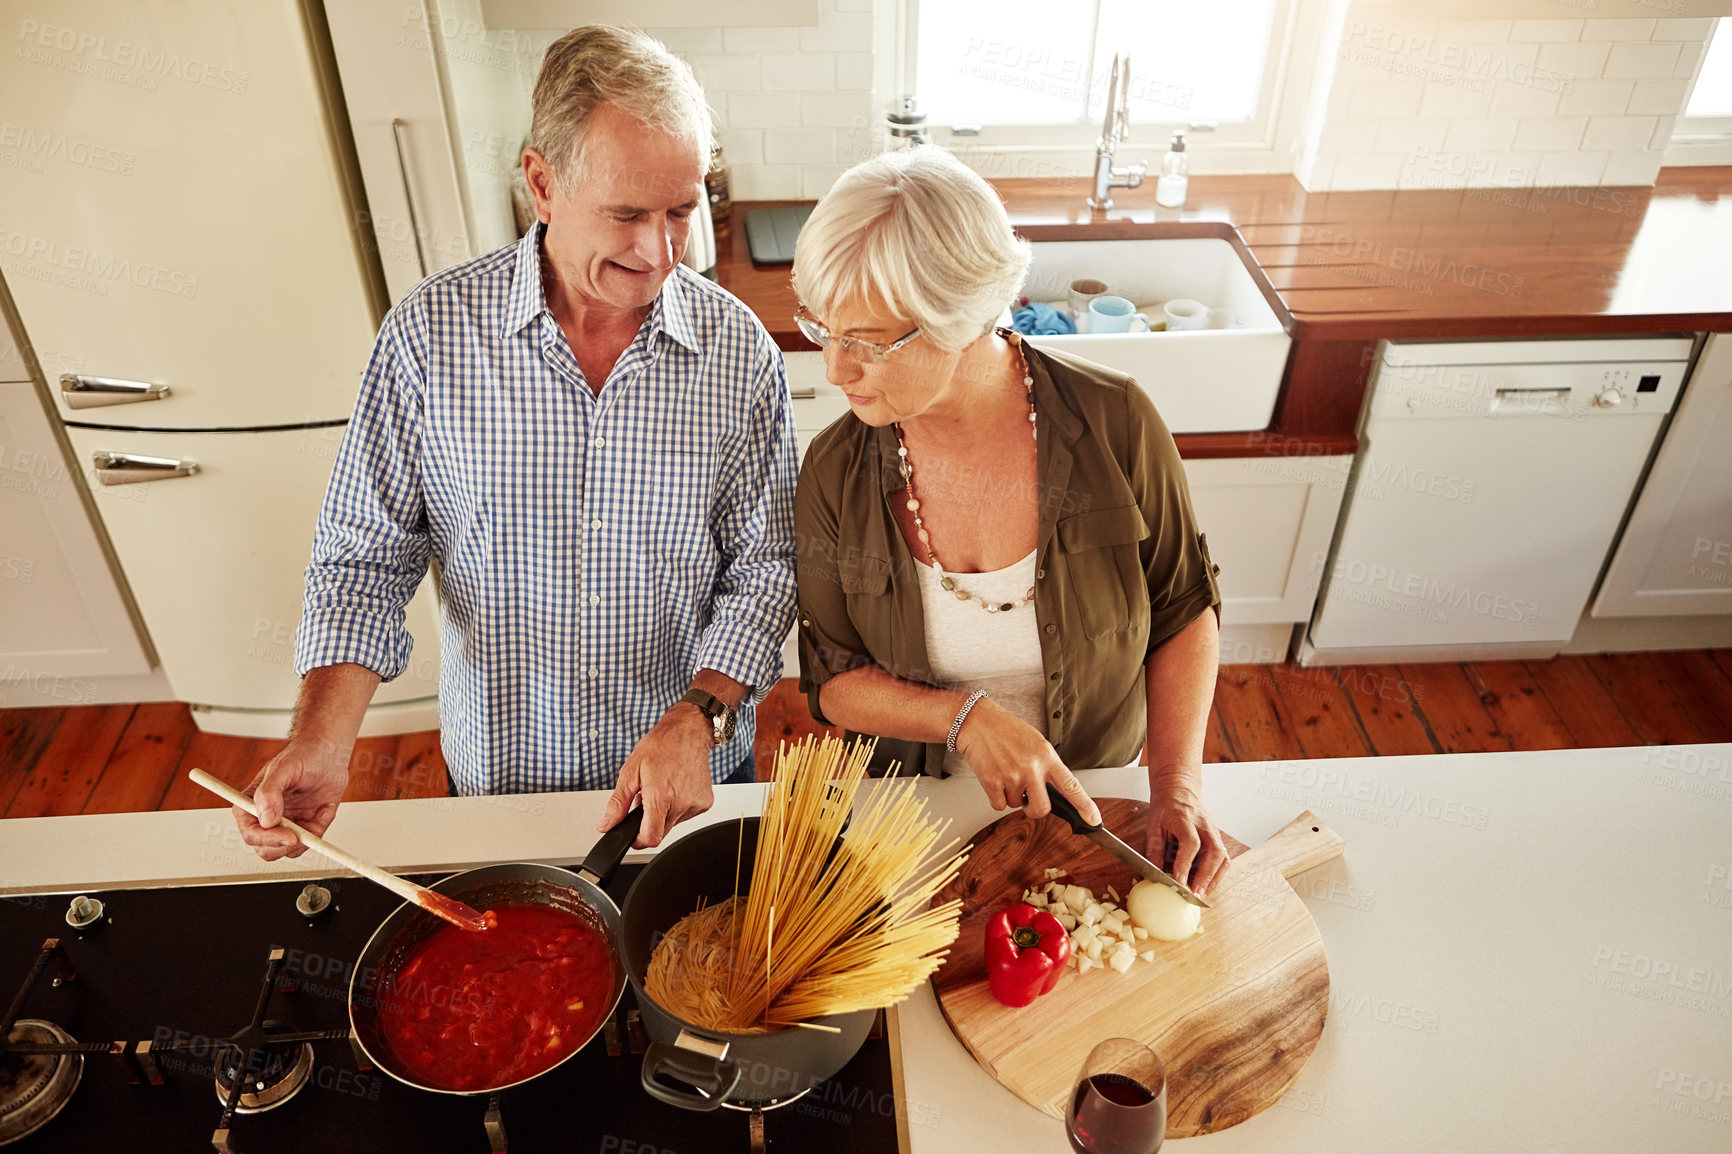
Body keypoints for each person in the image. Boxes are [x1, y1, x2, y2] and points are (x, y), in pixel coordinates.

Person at [236, 26, 796, 860]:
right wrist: (322, 738)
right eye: (626, 214)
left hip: (690, 772)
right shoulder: (430, 335)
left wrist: (701, 713)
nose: (658, 250)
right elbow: (364, 557)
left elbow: (768, 567)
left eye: (681, 211)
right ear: (542, 182)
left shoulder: (739, 350)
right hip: (503, 777)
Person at [792, 148, 1230, 895]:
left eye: (867, 342)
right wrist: (964, 718)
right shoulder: (836, 471)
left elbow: (1183, 607)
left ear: (959, 320)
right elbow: (832, 680)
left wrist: (1175, 788)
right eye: (822, 329)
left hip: (1097, 796)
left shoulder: (1114, 423)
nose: (835, 369)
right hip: (916, 813)